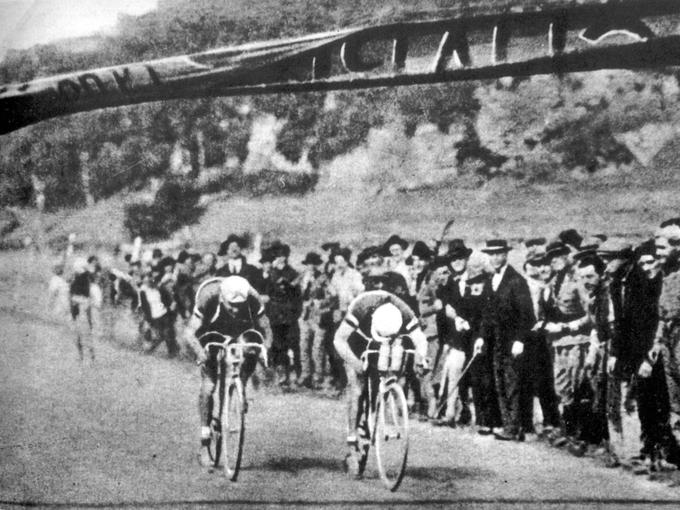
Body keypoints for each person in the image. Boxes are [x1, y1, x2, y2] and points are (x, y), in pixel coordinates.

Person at [333, 290, 428, 474]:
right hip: (356, 341)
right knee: (358, 389)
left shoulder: (404, 311)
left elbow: (420, 340)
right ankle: (352, 440)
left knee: (387, 375)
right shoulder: (361, 307)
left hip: (387, 344)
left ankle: (376, 417)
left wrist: (422, 358)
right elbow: (339, 340)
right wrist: (357, 364)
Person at [184, 275, 272, 467]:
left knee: (251, 349)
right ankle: (205, 439)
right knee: (209, 386)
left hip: (239, 329)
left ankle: (241, 386)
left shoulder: (253, 298)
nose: (235, 309)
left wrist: (264, 348)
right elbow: (189, 332)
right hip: (211, 331)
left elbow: (266, 328)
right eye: (231, 305)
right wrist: (200, 352)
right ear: (223, 299)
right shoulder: (209, 297)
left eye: (239, 306)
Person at [474, 239, 535, 441]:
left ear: (505, 255)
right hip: (496, 342)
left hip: (512, 342)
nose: (494, 258)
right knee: (500, 382)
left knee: (512, 384)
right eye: (491, 254)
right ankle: (507, 424)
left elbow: (527, 315)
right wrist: (482, 337)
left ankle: (514, 426)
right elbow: (487, 313)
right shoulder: (492, 280)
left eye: (498, 253)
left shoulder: (516, 281)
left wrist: (520, 340)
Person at [266, 242, 303, 387]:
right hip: (275, 313)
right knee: (278, 344)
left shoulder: (292, 273)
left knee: (293, 343)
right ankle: (283, 374)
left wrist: (295, 312)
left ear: (286, 257)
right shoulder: (271, 273)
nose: (281, 258)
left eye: (283, 255)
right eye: (278, 255)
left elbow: (297, 294)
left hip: (289, 313)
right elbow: (268, 291)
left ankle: (299, 374)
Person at [298, 251, 333, 389]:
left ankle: (318, 376)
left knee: (317, 348)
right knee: (303, 346)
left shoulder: (323, 278)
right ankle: (305, 374)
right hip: (304, 316)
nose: (311, 267)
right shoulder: (301, 278)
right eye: (309, 264)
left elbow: (333, 296)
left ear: (317, 265)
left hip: (318, 316)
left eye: (314, 264)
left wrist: (321, 303)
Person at [138, 266, 179, 357]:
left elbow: (165, 299)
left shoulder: (158, 288)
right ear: (143, 279)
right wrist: (148, 320)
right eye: (146, 277)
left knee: (168, 333)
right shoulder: (143, 291)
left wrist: (170, 307)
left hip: (164, 313)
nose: (149, 279)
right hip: (154, 316)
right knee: (161, 335)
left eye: (150, 277)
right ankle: (150, 348)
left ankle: (172, 352)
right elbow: (145, 307)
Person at [70, 257, 95, 362]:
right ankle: (88, 356)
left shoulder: (81, 279)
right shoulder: (83, 278)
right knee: (82, 335)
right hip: (80, 308)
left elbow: (80, 297)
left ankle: (85, 356)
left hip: (80, 308)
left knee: (81, 334)